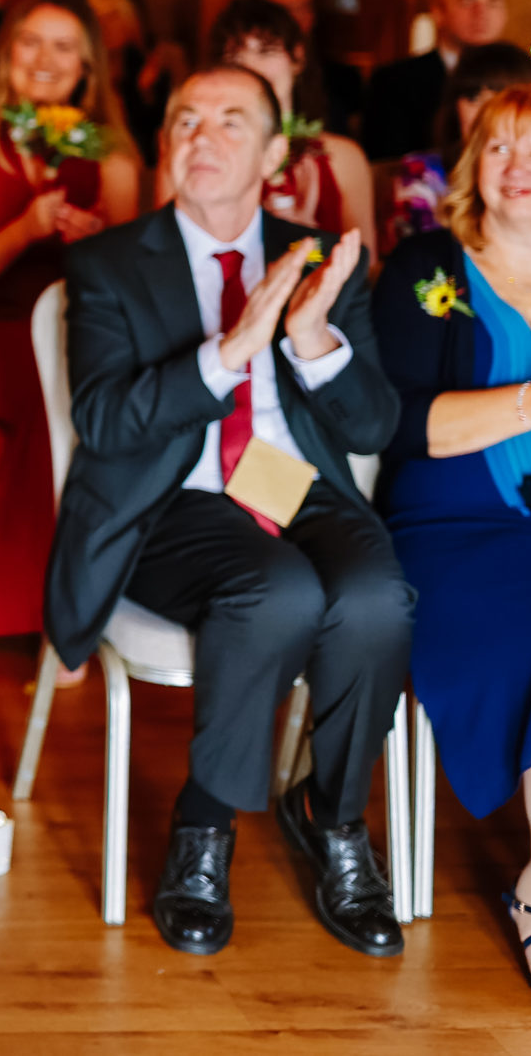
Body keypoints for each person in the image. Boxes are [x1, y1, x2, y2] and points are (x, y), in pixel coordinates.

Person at [46, 62, 408, 961]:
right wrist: (231, 350)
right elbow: (103, 419)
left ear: (276, 151)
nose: (201, 137)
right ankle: (203, 826)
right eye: (184, 120)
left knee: (376, 597)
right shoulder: (108, 263)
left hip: (293, 484)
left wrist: (312, 340)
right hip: (172, 501)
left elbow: (373, 422)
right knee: (276, 590)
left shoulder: (318, 257)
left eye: (231, 120)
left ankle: (333, 817)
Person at [375, 80, 531, 1028]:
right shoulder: (425, 267)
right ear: (475, 165)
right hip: (457, 520)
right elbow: (397, 424)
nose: (517, 167)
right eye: (499, 148)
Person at [0, 0, 141, 641]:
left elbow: (133, 278)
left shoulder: (112, 152)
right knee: (47, 387)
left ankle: (115, 590)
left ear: (87, 67)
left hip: (82, 330)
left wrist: (98, 245)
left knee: (111, 385)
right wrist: (25, 229)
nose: (45, 59)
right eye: (30, 42)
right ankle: (58, 612)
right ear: (6, 55)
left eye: (64, 46)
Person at [169, 0, 376, 248]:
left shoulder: (343, 159)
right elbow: (168, 250)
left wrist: (305, 245)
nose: (252, 67)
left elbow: (365, 268)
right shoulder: (195, 155)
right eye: (237, 56)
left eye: (265, 52)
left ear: (297, 57)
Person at [386, 41, 531, 252]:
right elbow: (425, 260)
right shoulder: (421, 172)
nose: (486, 111)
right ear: (455, 106)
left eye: (502, 97)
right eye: (473, 97)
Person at [363, 0, 511, 160]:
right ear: (438, 12)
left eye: (493, 2)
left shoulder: (526, 79)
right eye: (466, 2)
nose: (481, 13)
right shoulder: (394, 81)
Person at [86, 0, 182, 166]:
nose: (104, 25)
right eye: (98, 18)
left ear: (128, 18)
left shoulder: (153, 64)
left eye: (112, 16)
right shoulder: (85, 69)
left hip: (148, 166)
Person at [260, 0, 365, 143]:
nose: (290, 20)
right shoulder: (233, 79)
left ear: (312, 16)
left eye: (300, 8)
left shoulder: (343, 81)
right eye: (278, 10)